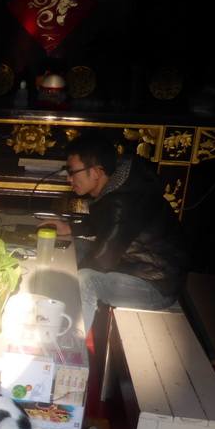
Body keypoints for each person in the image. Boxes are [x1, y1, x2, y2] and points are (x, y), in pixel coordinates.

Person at [39, 131, 188, 333]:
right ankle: (48, 295)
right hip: (132, 266)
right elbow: (104, 225)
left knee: (86, 281)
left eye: (72, 171)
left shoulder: (124, 202)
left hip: (156, 285)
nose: (68, 178)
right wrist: (69, 228)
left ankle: (72, 344)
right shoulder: (116, 188)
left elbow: (102, 261)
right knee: (76, 246)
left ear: (96, 172)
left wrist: (64, 281)